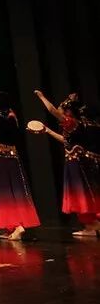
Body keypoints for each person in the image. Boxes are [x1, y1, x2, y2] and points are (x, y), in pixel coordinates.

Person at [0, 74, 40, 240]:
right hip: (14, 159)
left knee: (4, 193)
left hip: (1, 160)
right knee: (17, 191)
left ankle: (16, 226)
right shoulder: (12, 115)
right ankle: (13, 227)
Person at [34, 91, 100, 236]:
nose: (59, 111)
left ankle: (92, 226)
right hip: (78, 163)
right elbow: (65, 141)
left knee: (81, 193)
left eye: (62, 109)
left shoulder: (72, 122)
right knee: (85, 192)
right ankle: (92, 225)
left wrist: (41, 96)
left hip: (77, 164)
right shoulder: (77, 124)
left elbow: (52, 110)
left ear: (68, 112)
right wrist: (48, 131)